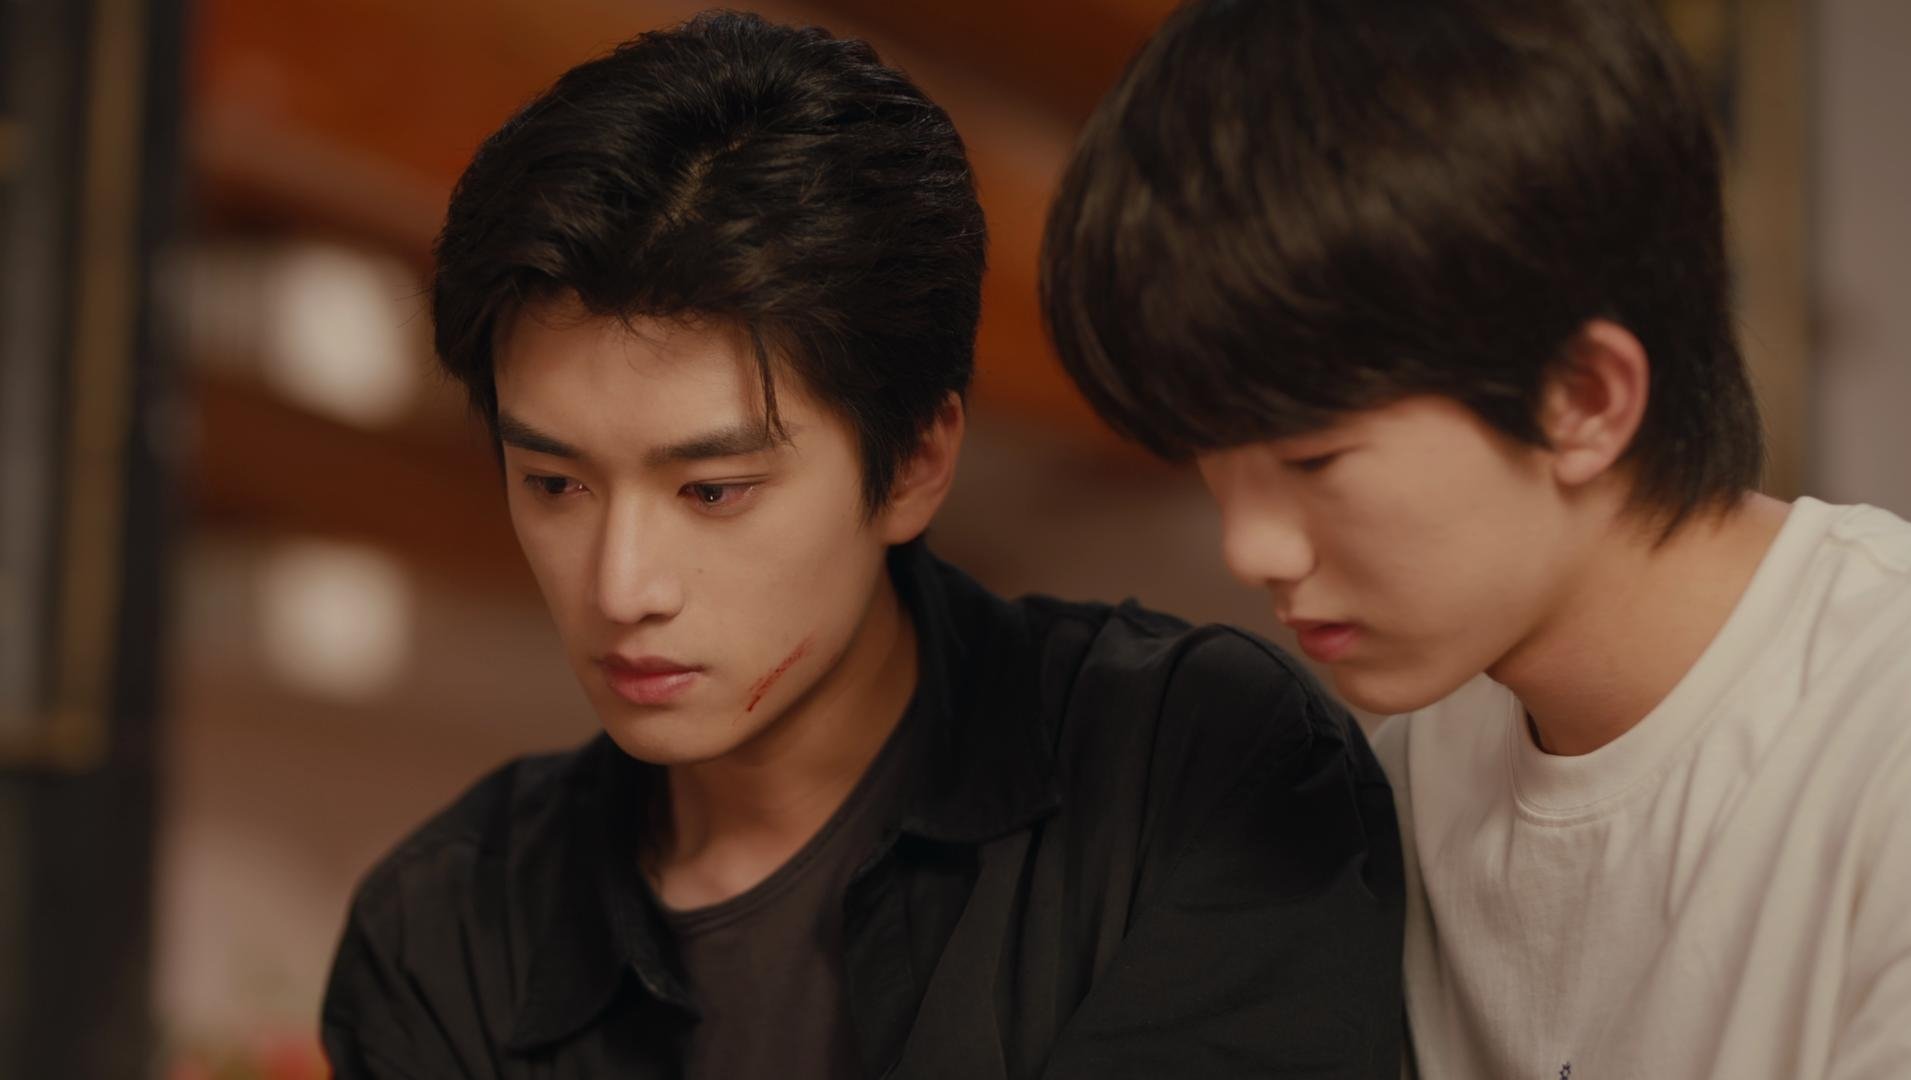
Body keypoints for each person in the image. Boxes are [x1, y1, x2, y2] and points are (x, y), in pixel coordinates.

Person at [320, 11, 1403, 1079]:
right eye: (556, 484)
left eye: (713, 491)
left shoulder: (1191, 770)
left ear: (918, 460)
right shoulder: (441, 939)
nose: (621, 586)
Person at [1041, 1, 1911, 1077]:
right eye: (1209, 461)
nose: (1250, 550)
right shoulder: (1415, 762)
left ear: (1584, 398)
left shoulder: (1888, 734)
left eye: (1313, 460)